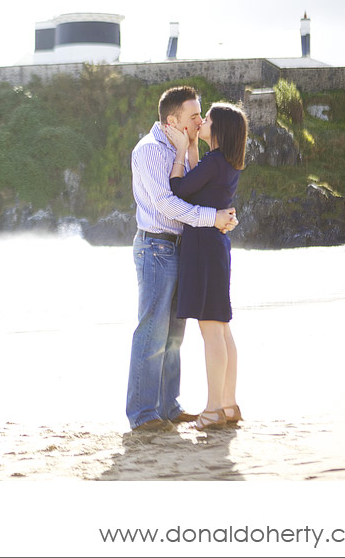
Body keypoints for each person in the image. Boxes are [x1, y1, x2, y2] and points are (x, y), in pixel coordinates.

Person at [127, 86, 238, 432]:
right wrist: (213, 218)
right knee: (152, 331)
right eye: (194, 116)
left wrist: (223, 215)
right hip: (156, 247)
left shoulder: (183, 149)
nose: (198, 121)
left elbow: (199, 188)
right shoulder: (149, 151)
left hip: (183, 248)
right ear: (172, 120)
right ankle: (144, 414)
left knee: (175, 336)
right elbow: (168, 203)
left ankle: (168, 407)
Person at [165, 102, 248, 431]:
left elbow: (181, 189)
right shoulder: (226, 162)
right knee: (222, 327)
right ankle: (228, 404)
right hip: (216, 247)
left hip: (203, 248)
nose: (203, 120)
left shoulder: (215, 162)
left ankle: (213, 409)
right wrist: (195, 147)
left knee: (211, 329)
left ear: (220, 128)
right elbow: (202, 186)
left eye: (208, 118)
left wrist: (180, 152)